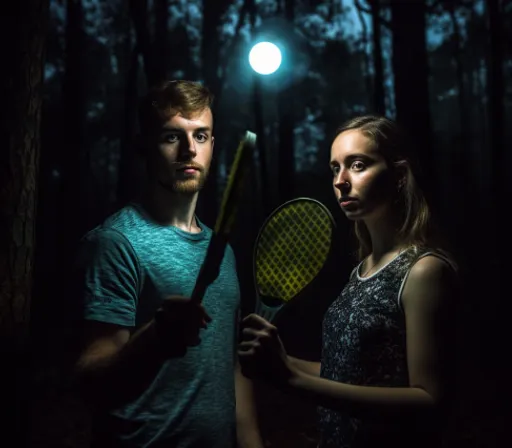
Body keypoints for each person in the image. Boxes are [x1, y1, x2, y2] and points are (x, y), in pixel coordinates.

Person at [238, 115, 459, 447]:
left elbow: (428, 400)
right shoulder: (362, 270)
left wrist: (293, 378)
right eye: (334, 168)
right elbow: (347, 369)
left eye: (357, 165)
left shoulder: (424, 271)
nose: (341, 180)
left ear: (399, 176)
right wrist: (282, 361)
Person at [70, 80, 263, 448]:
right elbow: (89, 380)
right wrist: (156, 338)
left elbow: (232, 371)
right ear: (145, 147)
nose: (190, 150)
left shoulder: (223, 252)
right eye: (172, 137)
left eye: (201, 136)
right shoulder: (115, 243)